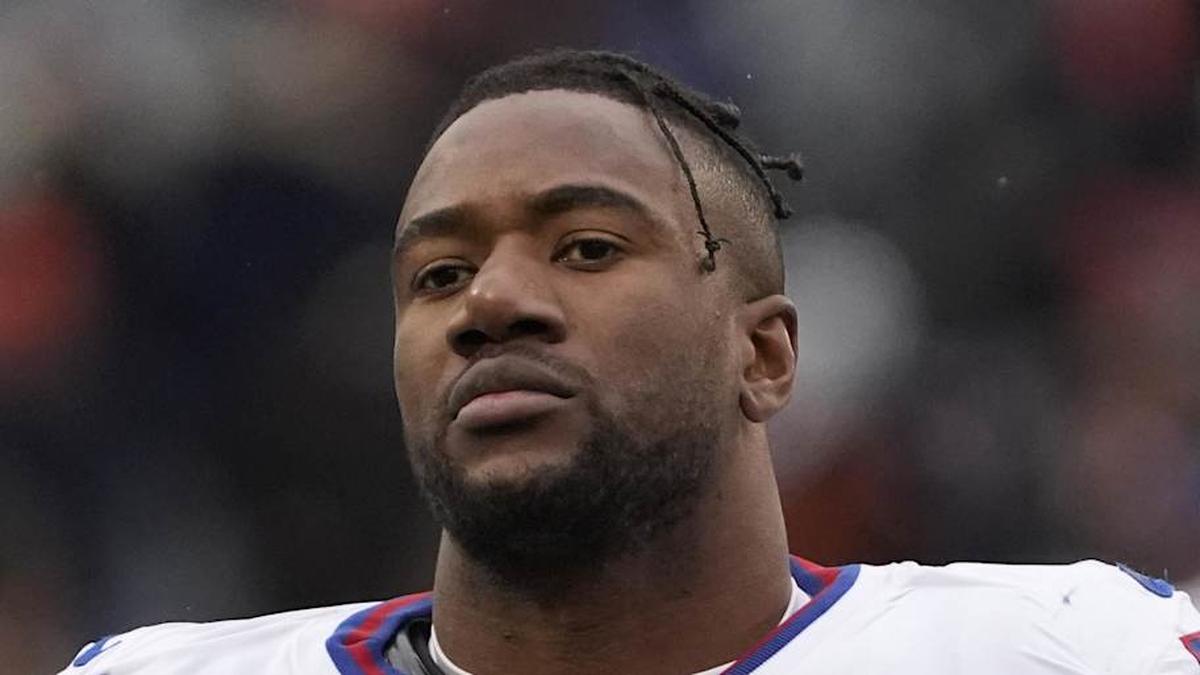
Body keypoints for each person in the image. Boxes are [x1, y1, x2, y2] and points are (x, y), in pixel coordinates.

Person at [61, 49, 1200, 675]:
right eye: (438, 276)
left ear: (763, 353)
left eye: (587, 247)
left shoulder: (1074, 653)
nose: (493, 302)